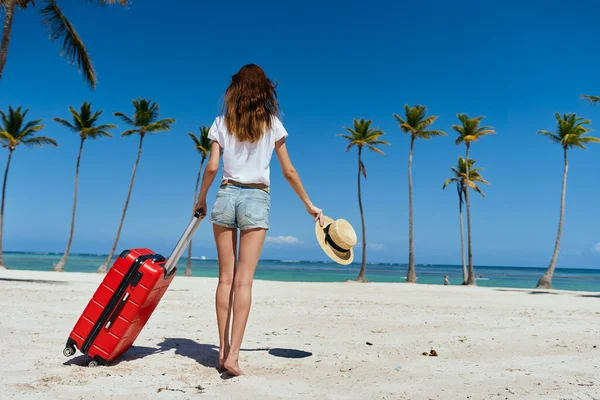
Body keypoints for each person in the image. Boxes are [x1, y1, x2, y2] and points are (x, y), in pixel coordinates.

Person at [194, 64, 324, 376]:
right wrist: (308, 204)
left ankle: (221, 350)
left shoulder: (221, 123)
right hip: (256, 197)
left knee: (225, 279)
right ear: (265, 92)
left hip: (225, 195)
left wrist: (200, 199)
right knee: (244, 280)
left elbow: (212, 167)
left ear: (235, 90)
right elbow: (288, 171)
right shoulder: (272, 125)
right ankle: (234, 356)